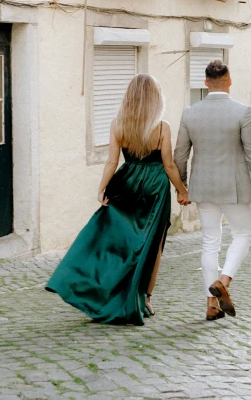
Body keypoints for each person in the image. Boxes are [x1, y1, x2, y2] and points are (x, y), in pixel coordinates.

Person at [46, 74, 189, 326]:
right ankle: (145, 298)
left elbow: (112, 161)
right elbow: (168, 164)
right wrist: (181, 191)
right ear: (155, 99)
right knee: (152, 244)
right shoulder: (162, 127)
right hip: (155, 186)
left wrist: (102, 188)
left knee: (117, 242)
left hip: (127, 182)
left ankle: (101, 293)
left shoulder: (118, 124)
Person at [174, 60, 251, 321]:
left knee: (210, 242)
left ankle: (211, 305)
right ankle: (224, 280)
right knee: (243, 233)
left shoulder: (189, 113)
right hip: (236, 187)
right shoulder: (242, 111)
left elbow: (180, 153)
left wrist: (181, 188)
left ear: (205, 83)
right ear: (229, 80)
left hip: (202, 187)